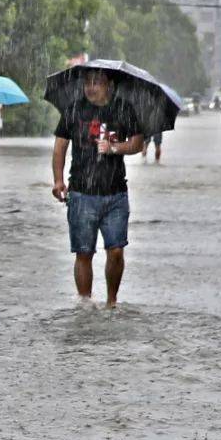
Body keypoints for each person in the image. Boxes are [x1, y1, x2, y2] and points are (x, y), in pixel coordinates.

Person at [51, 68, 144, 308]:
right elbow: (60, 147)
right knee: (84, 252)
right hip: (82, 193)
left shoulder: (123, 108)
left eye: (97, 82)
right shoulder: (74, 110)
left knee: (116, 251)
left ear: (109, 85)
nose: (91, 87)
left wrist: (115, 148)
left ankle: (112, 302)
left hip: (115, 194)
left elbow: (137, 143)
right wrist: (58, 180)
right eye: (87, 82)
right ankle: (85, 303)